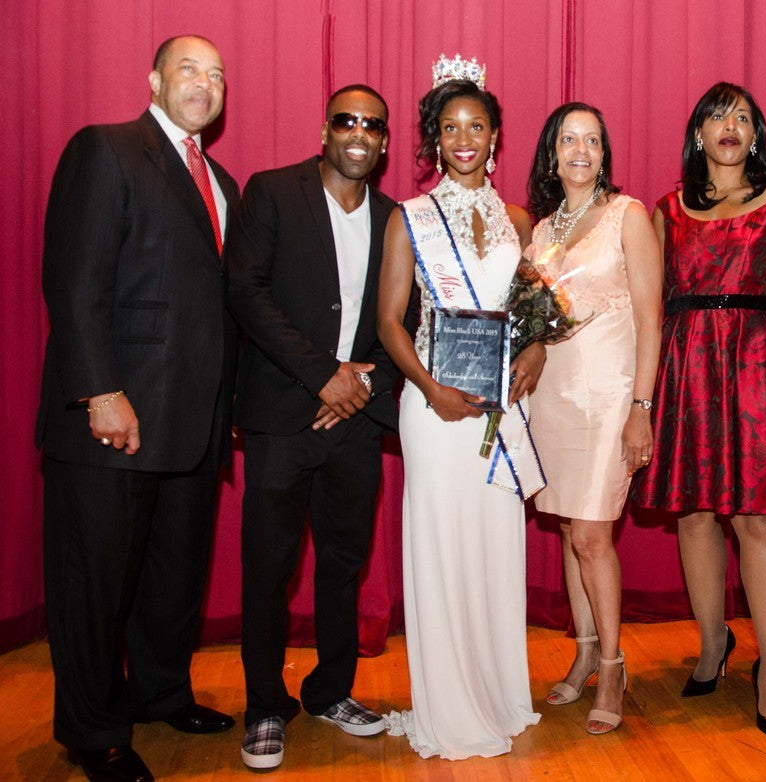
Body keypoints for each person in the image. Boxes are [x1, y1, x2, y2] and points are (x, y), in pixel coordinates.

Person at [36, 35, 238, 782]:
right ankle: (92, 732)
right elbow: (74, 279)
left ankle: (160, 693)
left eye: (217, 75)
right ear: (154, 78)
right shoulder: (107, 150)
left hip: (193, 426)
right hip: (112, 423)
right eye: (189, 68)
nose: (204, 83)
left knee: (172, 578)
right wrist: (100, 390)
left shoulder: (221, 180)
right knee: (94, 585)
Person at [631, 82, 766, 743]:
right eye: (718, 117)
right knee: (694, 513)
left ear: (757, 136)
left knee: (759, 523)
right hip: (684, 369)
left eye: (743, 117)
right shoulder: (667, 209)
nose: (731, 126)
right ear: (698, 136)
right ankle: (714, 643)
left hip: (751, 368)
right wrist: (642, 395)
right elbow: (648, 305)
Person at [225, 84, 399, 770]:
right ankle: (265, 705)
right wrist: (321, 373)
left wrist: (359, 385)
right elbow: (245, 291)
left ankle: (330, 691)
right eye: (346, 120)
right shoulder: (271, 192)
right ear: (324, 128)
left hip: (354, 424)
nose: (359, 133)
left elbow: (408, 322)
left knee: (343, 565)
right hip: (278, 419)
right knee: (268, 568)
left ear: (385, 142)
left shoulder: (394, 218)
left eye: (372, 125)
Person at [376, 58, 544, 760]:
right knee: (441, 546)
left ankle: (499, 690)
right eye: (451, 128)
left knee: (496, 546)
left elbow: (535, 311)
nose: (465, 138)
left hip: (499, 409)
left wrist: (535, 353)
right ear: (434, 141)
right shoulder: (408, 218)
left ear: (497, 135)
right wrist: (430, 388)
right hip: (434, 405)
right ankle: (447, 702)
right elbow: (389, 321)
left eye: (477, 126)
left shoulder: (518, 219)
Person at [524, 102, 662, 735]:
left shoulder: (629, 216)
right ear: (553, 153)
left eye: (592, 140)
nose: (580, 149)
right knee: (565, 530)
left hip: (610, 397)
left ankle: (612, 662)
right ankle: (581, 653)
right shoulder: (543, 230)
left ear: (605, 152)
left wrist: (641, 408)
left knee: (591, 534)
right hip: (552, 395)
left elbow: (652, 319)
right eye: (568, 140)